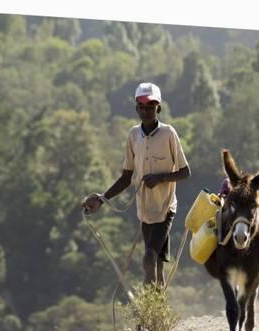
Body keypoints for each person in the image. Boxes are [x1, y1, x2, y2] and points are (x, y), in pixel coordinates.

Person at [82, 82, 191, 287]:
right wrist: (102, 199)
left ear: (158, 108)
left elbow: (185, 172)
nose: (145, 110)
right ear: (136, 108)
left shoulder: (168, 134)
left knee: (149, 258)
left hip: (165, 208)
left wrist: (160, 178)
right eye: (141, 106)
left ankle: (146, 313)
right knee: (156, 264)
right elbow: (126, 177)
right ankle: (157, 313)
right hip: (144, 211)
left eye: (150, 106)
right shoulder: (133, 136)